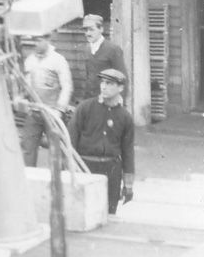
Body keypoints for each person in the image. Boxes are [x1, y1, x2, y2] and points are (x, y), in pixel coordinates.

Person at [68, 67, 135, 214]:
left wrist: (128, 185)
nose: (103, 86)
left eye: (110, 83)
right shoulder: (85, 108)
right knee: (83, 213)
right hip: (85, 168)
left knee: (109, 214)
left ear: (121, 88)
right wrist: (69, 171)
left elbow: (128, 152)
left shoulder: (125, 117)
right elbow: (70, 141)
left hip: (111, 171)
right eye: (102, 82)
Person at [20, 33, 73, 167]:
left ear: (48, 40)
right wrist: (23, 98)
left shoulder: (58, 60)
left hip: (53, 113)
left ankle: (57, 183)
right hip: (34, 111)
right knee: (28, 148)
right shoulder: (30, 60)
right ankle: (29, 180)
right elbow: (26, 85)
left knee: (57, 151)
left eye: (39, 40)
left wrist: (60, 110)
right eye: (34, 41)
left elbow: (67, 86)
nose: (36, 44)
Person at [82, 14, 126, 100]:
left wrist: (118, 103)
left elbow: (122, 79)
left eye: (91, 29)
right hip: (91, 100)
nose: (87, 33)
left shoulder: (113, 49)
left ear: (101, 29)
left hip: (108, 100)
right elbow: (89, 77)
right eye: (85, 30)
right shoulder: (87, 49)